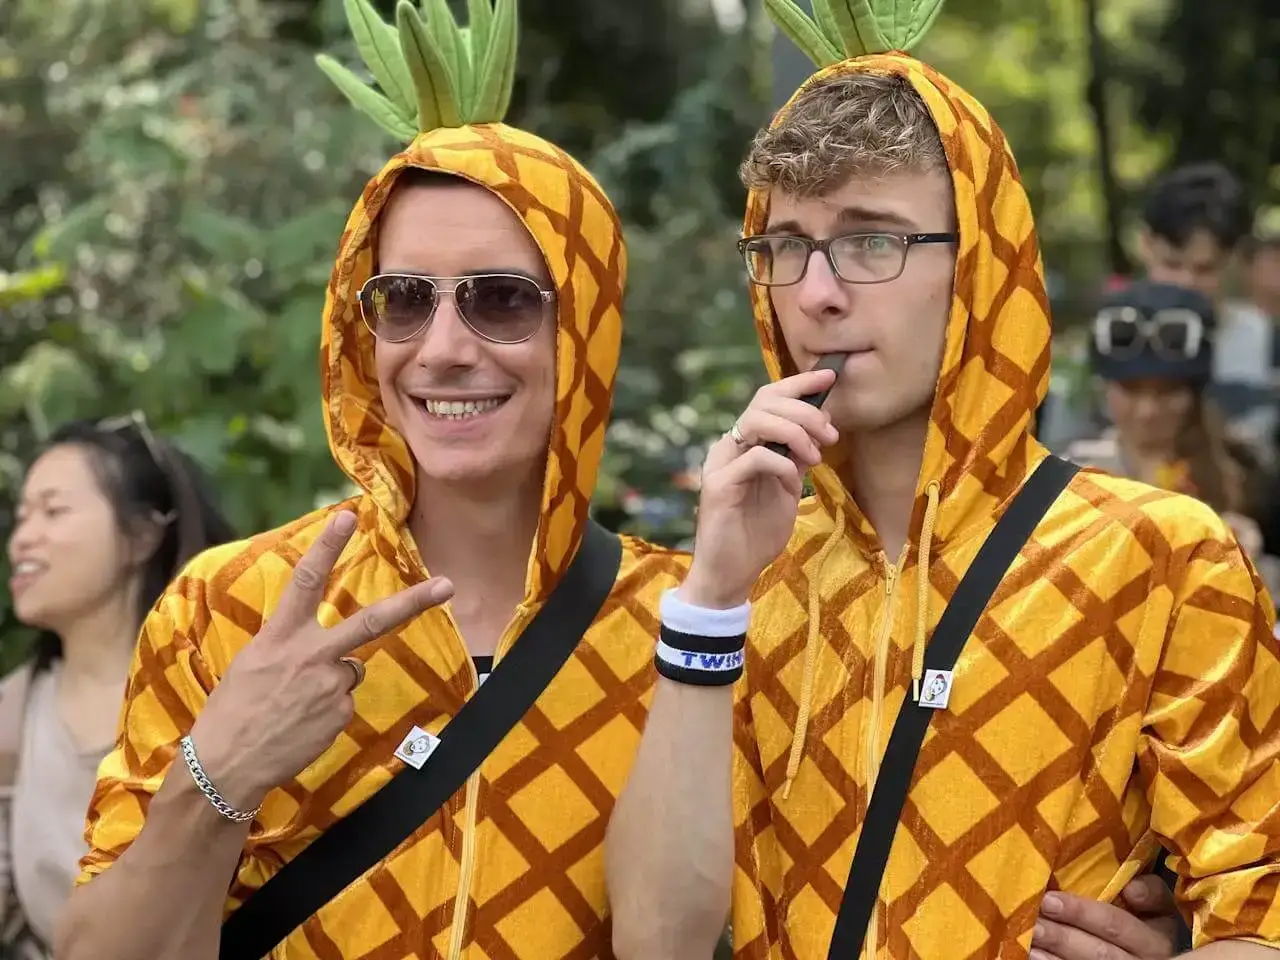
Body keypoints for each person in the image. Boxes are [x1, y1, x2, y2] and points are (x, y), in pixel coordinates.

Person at [606, 3, 1280, 958]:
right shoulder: (744, 577)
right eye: (786, 246)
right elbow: (654, 945)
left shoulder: (1161, 559)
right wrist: (710, 600)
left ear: (982, 265)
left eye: (873, 240)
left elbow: (1261, 921)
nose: (816, 292)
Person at [55, 3, 684, 958]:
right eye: (402, 301)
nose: (442, 350)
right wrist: (219, 771)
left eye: (502, 301)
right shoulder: (231, 609)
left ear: (586, 330)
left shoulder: (685, 629)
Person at [1, 415, 234, 959]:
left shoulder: (224, 691)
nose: (22, 540)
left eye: (53, 512)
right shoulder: (11, 720)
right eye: (21, 518)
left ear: (142, 536)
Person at [1066, 280, 1280, 595]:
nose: (1147, 411)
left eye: (1168, 392)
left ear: (1196, 392)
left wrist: (1250, 561)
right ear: (1104, 387)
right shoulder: (1071, 477)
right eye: (1130, 390)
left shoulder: (1247, 471)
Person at [1136, 163, 1275, 457]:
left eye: (1205, 269)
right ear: (1146, 246)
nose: (1186, 284)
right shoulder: (1118, 338)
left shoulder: (1267, 344)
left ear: (1235, 259)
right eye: (1172, 264)